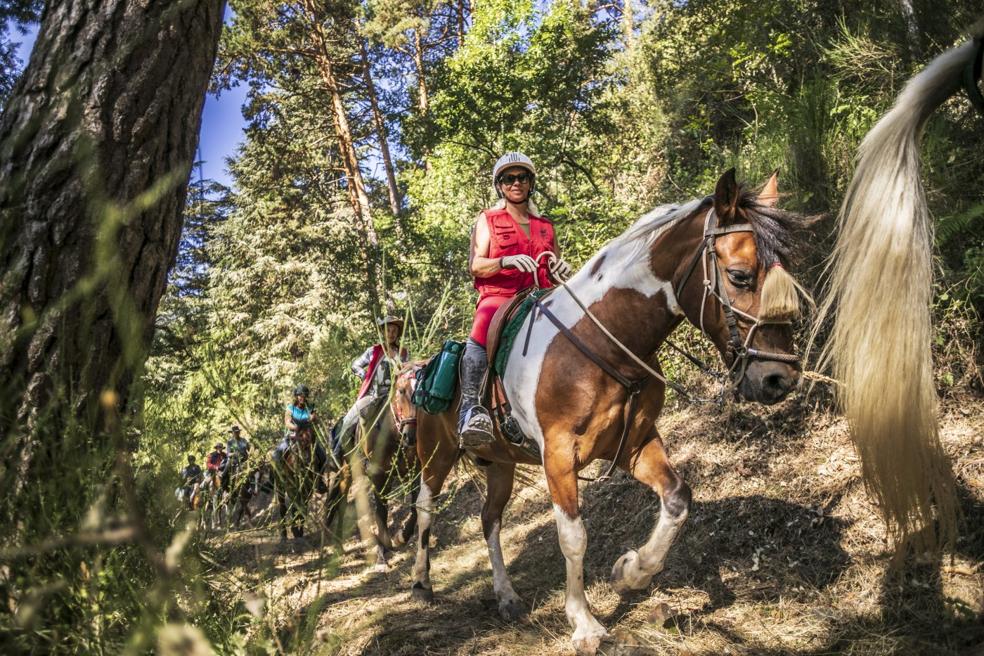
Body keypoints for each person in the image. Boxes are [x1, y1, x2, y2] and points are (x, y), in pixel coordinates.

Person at [458, 152, 572, 447]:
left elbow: (553, 265)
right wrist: (506, 261)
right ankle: (472, 408)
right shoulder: (488, 219)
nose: (516, 183)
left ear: (531, 183)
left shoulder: (546, 226)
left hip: (543, 296)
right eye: (510, 178)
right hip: (501, 296)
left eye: (522, 177)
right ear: (500, 185)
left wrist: (561, 270)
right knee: (484, 324)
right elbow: (476, 264)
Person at [332, 315, 410, 462]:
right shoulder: (373, 351)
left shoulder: (403, 353)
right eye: (388, 330)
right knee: (349, 418)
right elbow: (355, 365)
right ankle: (338, 452)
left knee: (413, 416)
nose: (391, 333)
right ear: (383, 332)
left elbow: (408, 372)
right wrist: (366, 376)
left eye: (394, 331)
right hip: (374, 394)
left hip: (396, 396)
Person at [272, 385, 328, 486]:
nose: (302, 397)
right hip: (293, 436)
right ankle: (275, 480)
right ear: (296, 396)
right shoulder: (290, 408)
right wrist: (295, 427)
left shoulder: (311, 407)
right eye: (300, 395)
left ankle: (319, 481)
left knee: (323, 457)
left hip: (309, 438)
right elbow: (287, 422)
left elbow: (316, 419)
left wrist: (313, 418)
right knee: (276, 455)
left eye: (304, 395)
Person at [223, 425, 250, 490]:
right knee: (225, 472)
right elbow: (228, 454)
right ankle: (223, 488)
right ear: (232, 433)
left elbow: (249, 449)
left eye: (237, 432)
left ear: (239, 432)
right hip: (234, 460)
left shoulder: (244, 440)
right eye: (234, 432)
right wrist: (234, 453)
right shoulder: (230, 442)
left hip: (244, 460)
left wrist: (251, 447)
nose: (236, 433)